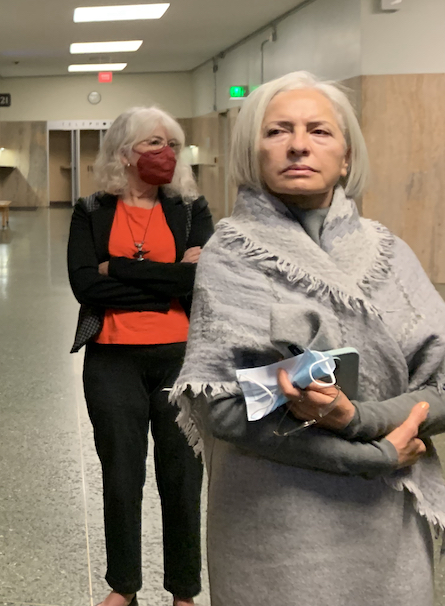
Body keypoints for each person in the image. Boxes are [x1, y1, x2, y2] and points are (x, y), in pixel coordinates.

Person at [172, 71, 445, 605]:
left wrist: (358, 420)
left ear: (346, 156)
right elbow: (224, 410)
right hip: (276, 526)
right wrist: (373, 455)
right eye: (278, 131)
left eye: (319, 130)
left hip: (389, 520)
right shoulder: (231, 254)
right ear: (254, 152)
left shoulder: (391, 256)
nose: (298, 144)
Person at [67, 106, 212, 606]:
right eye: (154, 144)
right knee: (121, 476)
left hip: (180, 359)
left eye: (171, 143)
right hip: (112, 361)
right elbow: (85, 284)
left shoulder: (193, 210)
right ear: (125, 153)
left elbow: (202, 281)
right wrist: (167, 284)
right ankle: (123, 585)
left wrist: (119, 270)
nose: (166, 154)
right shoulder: (90, 209)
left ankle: (184, 591)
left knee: (181, 476)